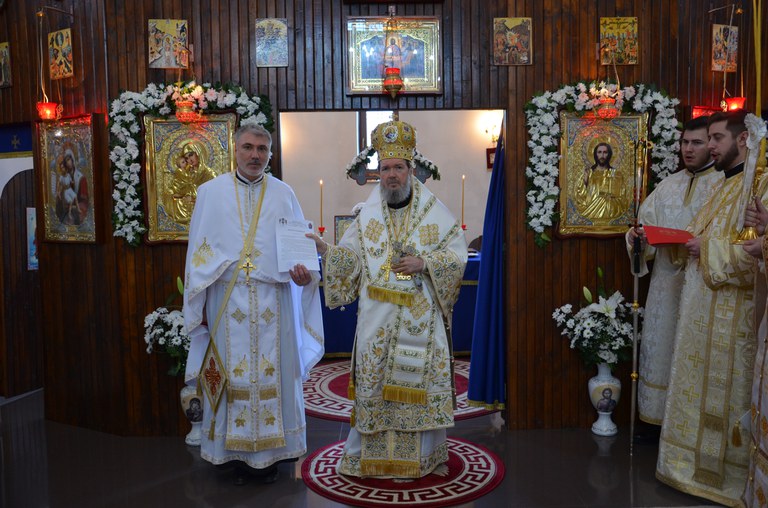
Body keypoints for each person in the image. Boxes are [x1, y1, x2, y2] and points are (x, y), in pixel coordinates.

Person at [308, 119, 468, 479]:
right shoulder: (366, 217)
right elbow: (350, 259)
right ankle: (369, 457)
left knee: (417, 385)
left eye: (398, 168)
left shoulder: (435, 212)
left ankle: (422, 458)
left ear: (411, 170)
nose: (392, 175)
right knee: (376, 381)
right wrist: (326, 250)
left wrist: (425, 263)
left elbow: (457, 257)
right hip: (376, 317)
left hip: (420, 316)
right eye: (385, 169)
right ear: (377, 174)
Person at [183, 123, 324, 486]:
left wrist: (304, 274)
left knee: (273, 373)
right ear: (235, 149)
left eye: (262, 149)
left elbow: (301, 248)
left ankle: (272, 456)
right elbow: (197, 252)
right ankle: (230, 455)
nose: (255, 155)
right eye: (248, 147)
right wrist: (198, 302)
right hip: (226, 300)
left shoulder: (283, 193)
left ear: (270, 154)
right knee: (228, 375)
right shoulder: (210, 193)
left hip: (273, 302)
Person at [656, 109, 764, 506]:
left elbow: (755, 260)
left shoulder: (756, 185)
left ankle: (720, 479)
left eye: (717, 138)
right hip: (700, 315)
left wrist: (707, 248)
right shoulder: (723, 184)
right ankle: (684, 468)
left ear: (743, 140)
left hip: (730, 319)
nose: (710, 147)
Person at [626, 116, 721, 438]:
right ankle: (655, 423)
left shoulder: (723, 186)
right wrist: (636, 238)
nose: (688, 149)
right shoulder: (668, 186)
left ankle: (690, 428)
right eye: (684, 143)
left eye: (696, 143)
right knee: (660, 350)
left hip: (701, 284)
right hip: (665, 285)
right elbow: (643, 229)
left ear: (711, 144)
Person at [574, 142, 631, 222]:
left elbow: (622, 196)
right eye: (599, 152)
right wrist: (585, 182)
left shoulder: (616, 174)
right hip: (592, 211)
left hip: (612, 212)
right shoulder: (588, 173)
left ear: (609, 154)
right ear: (595, 154)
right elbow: (580, 196)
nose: (602, 155)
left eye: (605, 152)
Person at [166, 140, 217, 224]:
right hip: (185, 209)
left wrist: (194, 199)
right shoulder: (185, 173)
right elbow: (176, 187)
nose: (189, 160)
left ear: (198, 153)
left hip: (203, 212)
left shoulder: (209, 174)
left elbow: (214, 196)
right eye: (186, 158)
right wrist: (173, 194)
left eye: (191, 155)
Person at [54, 144, 89, 225]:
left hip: (76, 210)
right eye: (66, 161)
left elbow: (85, 201)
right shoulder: (64, 177)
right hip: (65, 207)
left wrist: (75, 207)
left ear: (73, 160)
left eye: (69, 159)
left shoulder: (81, 178)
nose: (68, 163)